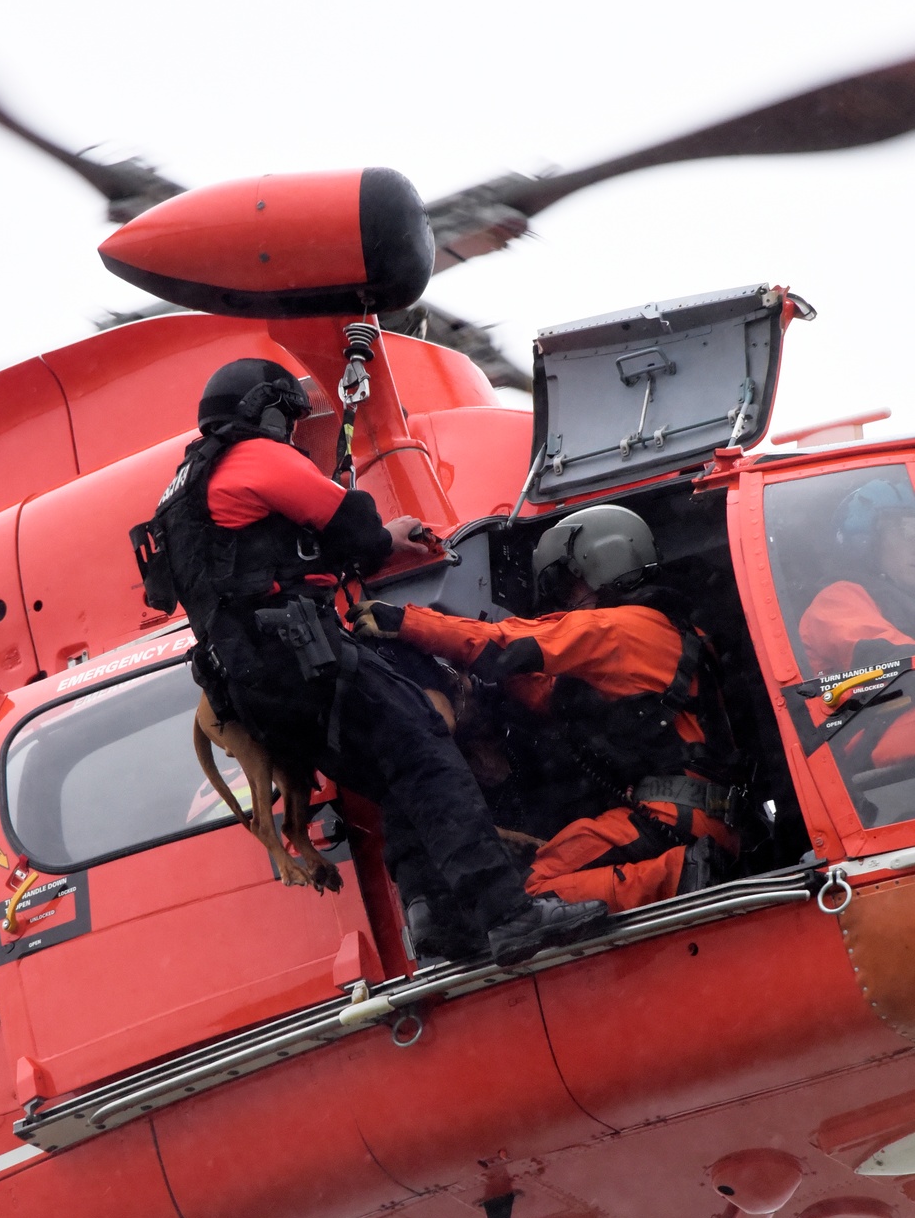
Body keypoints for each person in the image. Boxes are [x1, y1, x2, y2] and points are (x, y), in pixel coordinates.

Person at [135, 357, 609, 967]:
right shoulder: (253, 455)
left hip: (250, 691)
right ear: (266, 410)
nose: (291, 432)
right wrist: (387, 536)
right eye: (287, 417)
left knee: (396, 776)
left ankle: (433, 915)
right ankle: (510, 916)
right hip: (300, 660)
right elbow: (352, 529)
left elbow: (246, 570)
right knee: (428, 756)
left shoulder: (183, 494)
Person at [351, 504, 742, 913]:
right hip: (702, 819)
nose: (564, 602)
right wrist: (485, 687)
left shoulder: (618, 629)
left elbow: (509, 642)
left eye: (568, 585)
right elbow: (554, 696)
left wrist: (408, 624)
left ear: (599, 565)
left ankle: (681, 876)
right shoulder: (670, 636)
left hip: (674, 822)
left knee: (526, 894)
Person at [800, 476, 915, 768]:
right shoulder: (837, 599)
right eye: (906, 529)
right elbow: (886, 657)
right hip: (891, 774)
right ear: (867, 543)